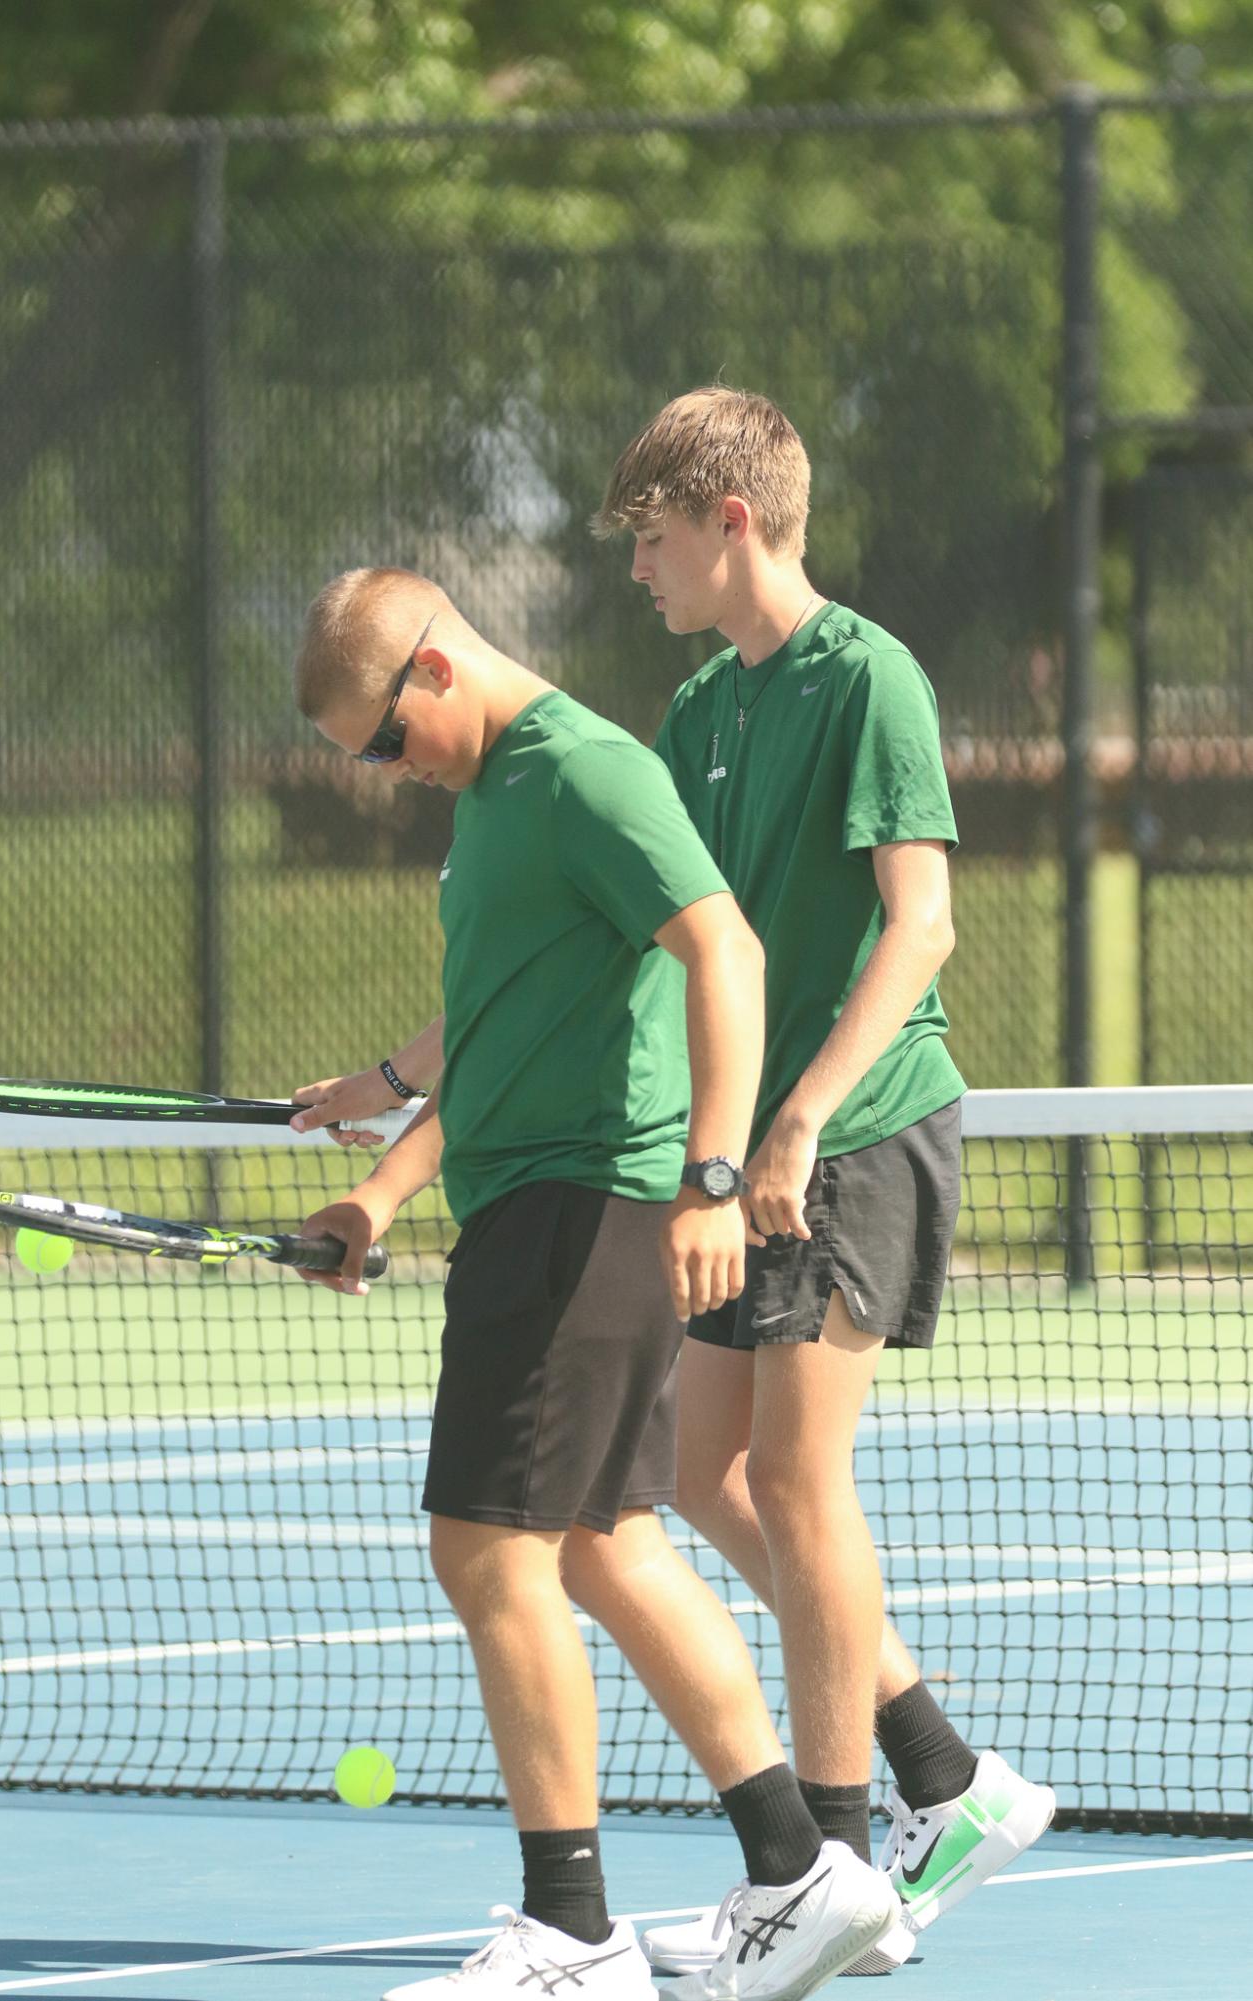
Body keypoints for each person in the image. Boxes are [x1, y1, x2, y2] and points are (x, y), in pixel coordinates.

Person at [289, 565, 899, 2001]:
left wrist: (709, 1174)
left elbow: (723, 947)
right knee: (602, 1540)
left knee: (486, 1549)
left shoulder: (582, 770)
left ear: (432, 670)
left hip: (584, 1210)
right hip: (535, 1203)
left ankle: (570, 1933)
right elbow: (504, 1033)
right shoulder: (499, 804)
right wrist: (376, 1192)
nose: (387, 774)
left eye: (383, 742)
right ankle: (804, 1869)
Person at [587, 386, 1055, 1977]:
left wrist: (795, 1121)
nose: (634, 574)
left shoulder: (872, 680)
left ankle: (832, 1866)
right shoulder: (697, 711)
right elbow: (664, 949)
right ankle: (945, 1778)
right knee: (694, 1474)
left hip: (854, 1132)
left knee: (790, 1478)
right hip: (748, 1154)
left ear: (731, 524)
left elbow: (919, 925)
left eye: (649, 542)